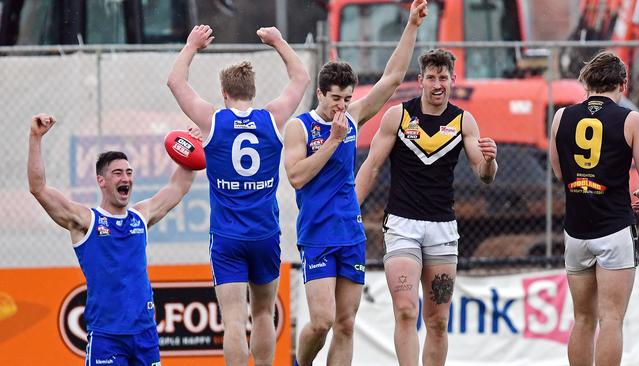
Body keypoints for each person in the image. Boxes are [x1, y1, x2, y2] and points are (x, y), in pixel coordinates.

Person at [283, 1, 428, 365]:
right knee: (322, 321)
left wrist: (411, 25)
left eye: (347, 100)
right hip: (317, 234)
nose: (342, 108)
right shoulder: (300, 127)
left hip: (350, 233)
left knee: (346, 324)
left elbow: (391, 79)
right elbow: (296, 176)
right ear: (320, 94)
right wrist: (332, 141)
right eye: (336, 100)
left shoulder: (353, 116)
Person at [167, 25, 310, 366]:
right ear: (252, 91)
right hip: (264, 233)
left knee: (233, 320)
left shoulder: (213, 120)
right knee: (262, 314)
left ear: (224, 93)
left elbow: (176, 82)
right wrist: (277, 41)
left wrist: (191, 46)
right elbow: (301, 78)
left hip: (227, 236)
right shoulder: (271, 118)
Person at [355, 48, 498, 366]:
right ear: (420, 80)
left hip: (442, 230)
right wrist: (352, 210)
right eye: (431, 77)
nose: (437, 84)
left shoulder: (463, 121)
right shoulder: (398, 117)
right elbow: (372, 166)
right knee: (406, 310)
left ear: (453, 80)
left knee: (437, 321)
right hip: (402, 226)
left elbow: (484, 175)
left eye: (443, 77)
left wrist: (490, 160)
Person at [27, 114, 197, 365]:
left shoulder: (141, 216)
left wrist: (192, 146)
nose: (125, 178)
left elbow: (178, 187)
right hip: (107, 337)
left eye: (129, 173)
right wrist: (35, 137)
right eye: (117, 173)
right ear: (101, 181)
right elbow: (38, 188)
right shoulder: (85, 220)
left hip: (145, 334)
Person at [549, 51, 639, 366]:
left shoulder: (561, 117)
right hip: (613, 228)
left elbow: (558, 173)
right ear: (623, 83)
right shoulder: (631, 119)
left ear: (586, 83)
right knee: (611, 319)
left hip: (576, 231)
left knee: (582, 319)